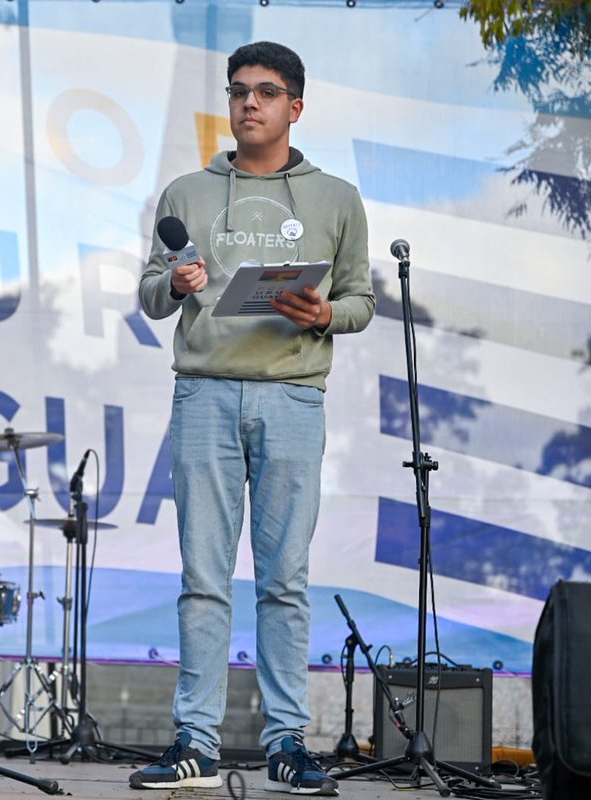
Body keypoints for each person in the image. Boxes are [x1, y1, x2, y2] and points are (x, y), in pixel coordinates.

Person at [132, 42, 374, 796]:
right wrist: (175, 281)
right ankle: (195, 745)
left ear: (295, 107)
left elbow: (363, 300)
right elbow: (148, 295)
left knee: (284, 583)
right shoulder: (185, 192)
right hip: (204, 395)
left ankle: (286, 743)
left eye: (266, 93)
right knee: (203, 579)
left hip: (294, 397)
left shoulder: (335, 199)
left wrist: (325, 311)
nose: (249, 105)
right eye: (238, 92)